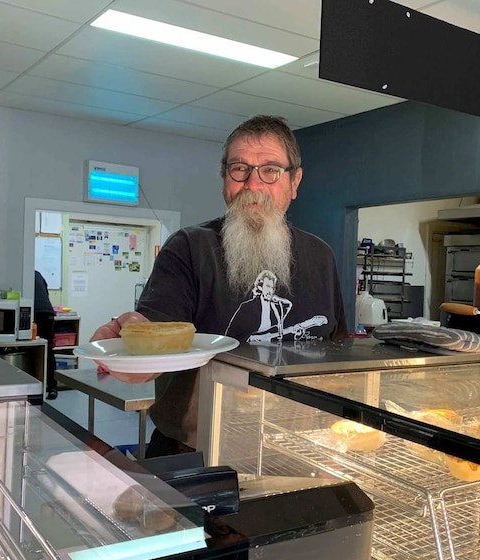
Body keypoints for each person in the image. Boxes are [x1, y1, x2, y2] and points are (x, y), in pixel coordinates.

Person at [91, 115, 347, 457]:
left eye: (270, 170)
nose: (253, 186)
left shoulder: (321, 255)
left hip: (301, 449)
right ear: (224, 178)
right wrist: (133, 345)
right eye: (239, 169)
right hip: (197, 451)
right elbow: (157, 330)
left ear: (295, 181)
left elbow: (339, 352)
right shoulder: (189, 247)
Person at [34, 270, 58, 400]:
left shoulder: (22, 274)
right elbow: (46, 293)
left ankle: (36, 386)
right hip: (48, 313)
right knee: (48, 350)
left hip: (36, 313)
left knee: (33, 349)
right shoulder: (38, 274)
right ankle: (52, 387)